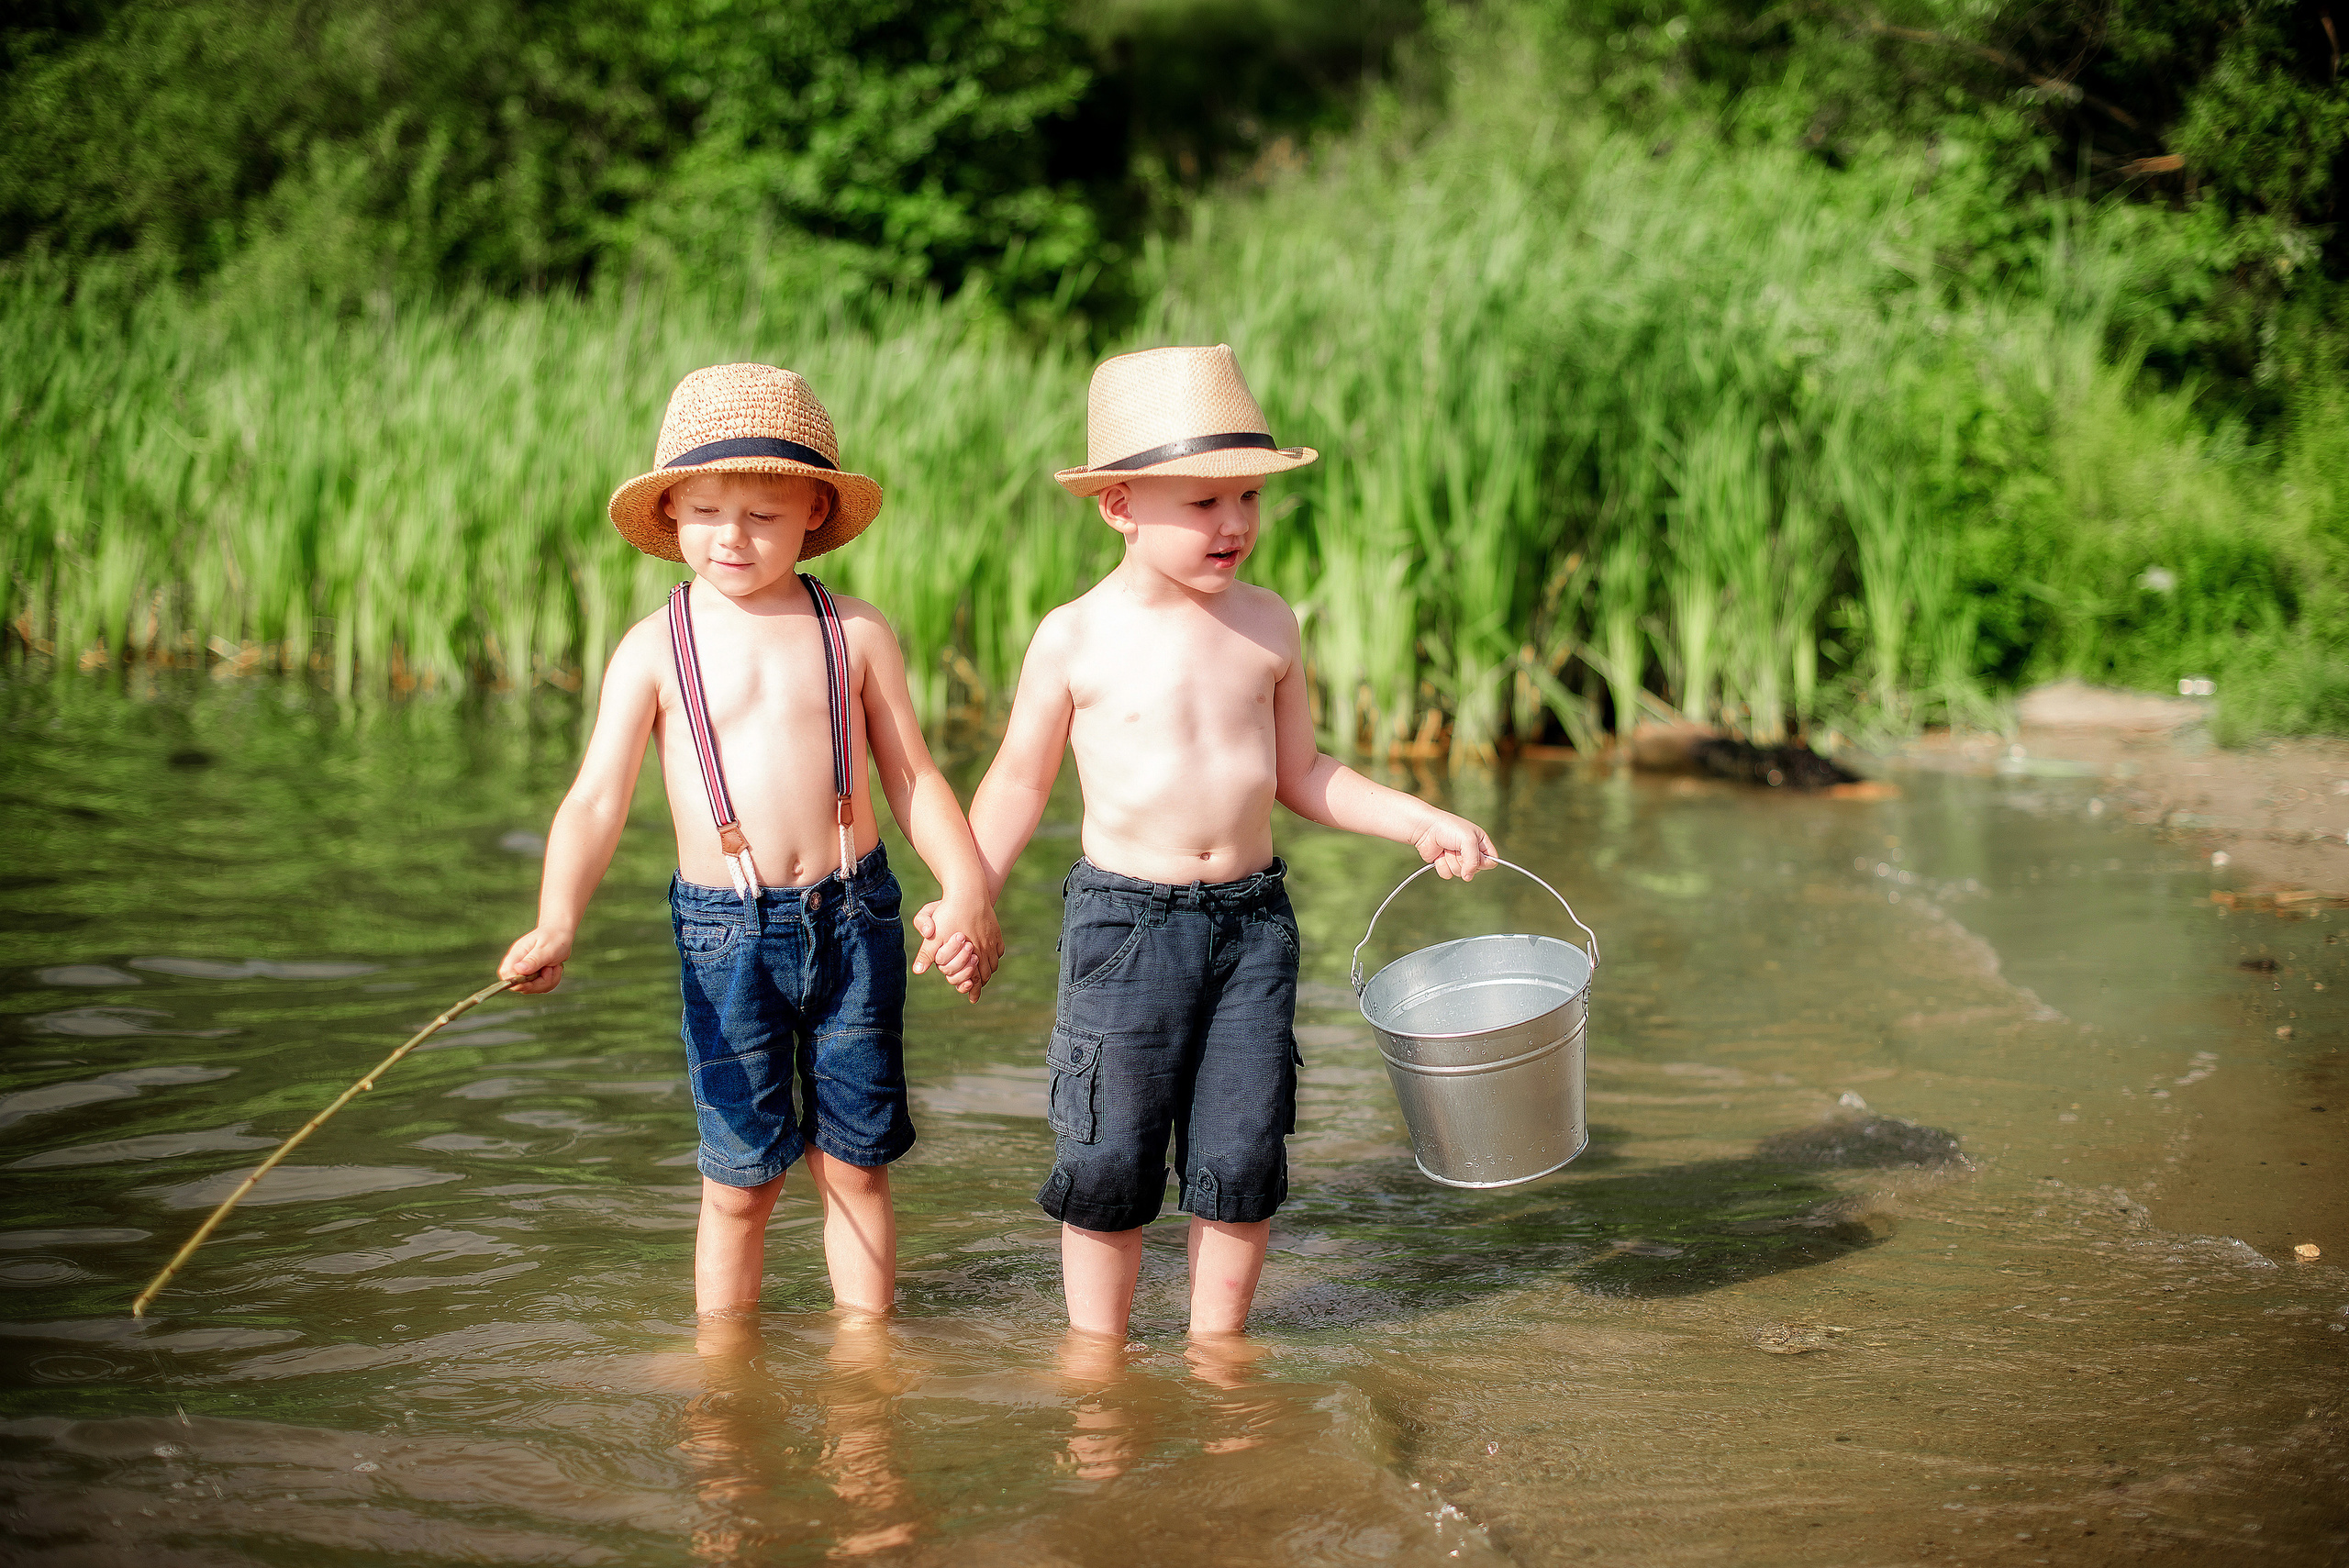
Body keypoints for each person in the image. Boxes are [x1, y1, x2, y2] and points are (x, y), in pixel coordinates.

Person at [943, 344, 1496, 1342]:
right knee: (1109, 1150)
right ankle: (1095, 1361)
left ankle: (1218, 1354)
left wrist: (1418, 818)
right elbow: (1018, 781)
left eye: (1245, 495)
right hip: (1124, 924)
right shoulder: (1075, 635)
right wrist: (967, 889)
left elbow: (1303, 772)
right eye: (1200, 502)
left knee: (1241, 1152)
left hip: (1252, 925)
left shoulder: (1267, 623)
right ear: (1118, 506)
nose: (1233, 522)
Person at [499, 362, 1001, 1321]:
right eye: (707, 510)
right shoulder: (656, 646)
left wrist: (967, 882)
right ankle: (723, 1374)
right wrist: (556, 918)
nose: (732, 536)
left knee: (854, 1162)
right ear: (672, 514)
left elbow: (915, 777)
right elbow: (596, 799)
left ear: (814, 511)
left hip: (855, 915)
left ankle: (868, 1358)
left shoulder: (853, 631)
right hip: (725, 934)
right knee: (739, 1178)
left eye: (763, 514)